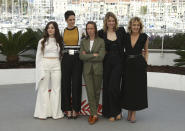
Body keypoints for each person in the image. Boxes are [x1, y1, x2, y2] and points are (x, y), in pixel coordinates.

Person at [98, 12, 126, 121]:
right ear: (106, 22)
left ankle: (117, 111)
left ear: (115, 21)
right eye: (109, 21)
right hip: (106, 63)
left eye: (113, 21)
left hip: (119, 62)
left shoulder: (121, 31)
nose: (111, 23)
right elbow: (91, 39)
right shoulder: (101, 33)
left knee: (114, 87)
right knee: (107, 87)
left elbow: (128, 42)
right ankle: (110, 112)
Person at [34, 21, 64, 120]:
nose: (50, 29)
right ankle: (43, 113)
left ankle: (55, 113)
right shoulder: (42, 41)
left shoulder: (59, 41)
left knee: (56, 89)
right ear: (47, 30)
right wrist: (40, 70)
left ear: (56, 29)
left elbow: (61, 56)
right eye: (49, 28)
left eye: (52, 28)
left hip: (56, 66)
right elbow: (38, 57)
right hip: (45, 66)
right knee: (43, 89)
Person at [121, 17, 149, 123]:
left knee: (136, 90)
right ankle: (129, 111)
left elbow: (146, 51)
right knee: (128, 89)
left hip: (139, 65)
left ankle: (133, 114)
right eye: (134, 25)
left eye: (138, 25)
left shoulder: (144, 37)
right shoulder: (126, 36)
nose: (136, 27)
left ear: (140, 26)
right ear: (130, 26)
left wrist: (145, 63)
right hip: (127, 64)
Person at [79, 21, 105, 124]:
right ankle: (94, 114)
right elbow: (81, 56)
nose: (89, 30)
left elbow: (101, 56)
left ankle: (94, 113)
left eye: (91, 28)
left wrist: (88, 55)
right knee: (90, 92)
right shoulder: (83, 42)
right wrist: (93, 55)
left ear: (95, 29)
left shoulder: (101, 41)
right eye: (88, 29)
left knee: (97, 91)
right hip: (87, 70)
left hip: (98, 69)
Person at [61, 10, 84, 119]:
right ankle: (67, 109)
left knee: (76, 84)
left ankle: (75, 109)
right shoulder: (62, 31)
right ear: (66, 20)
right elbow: (60, 46)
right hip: (66, 58)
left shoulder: (80, 30)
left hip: (77, 58)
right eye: (70, 20)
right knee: (65, 84)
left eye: (74, 19)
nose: (72, 21)